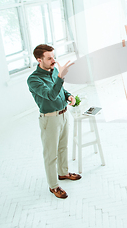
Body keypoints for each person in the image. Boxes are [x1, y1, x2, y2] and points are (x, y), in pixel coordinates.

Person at [27, 44, 82, 199]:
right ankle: (53, 186)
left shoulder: (54, 71)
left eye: (53, 56)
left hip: (64, 115)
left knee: (63, 147)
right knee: (51, 154)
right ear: (39, 60)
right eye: (49, 58)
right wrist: (60, 77)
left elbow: (61, 91)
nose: (53, 60)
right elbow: (50, 95)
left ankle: (63, 173)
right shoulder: (33, 80)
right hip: (49, 120)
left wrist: (68, 96)